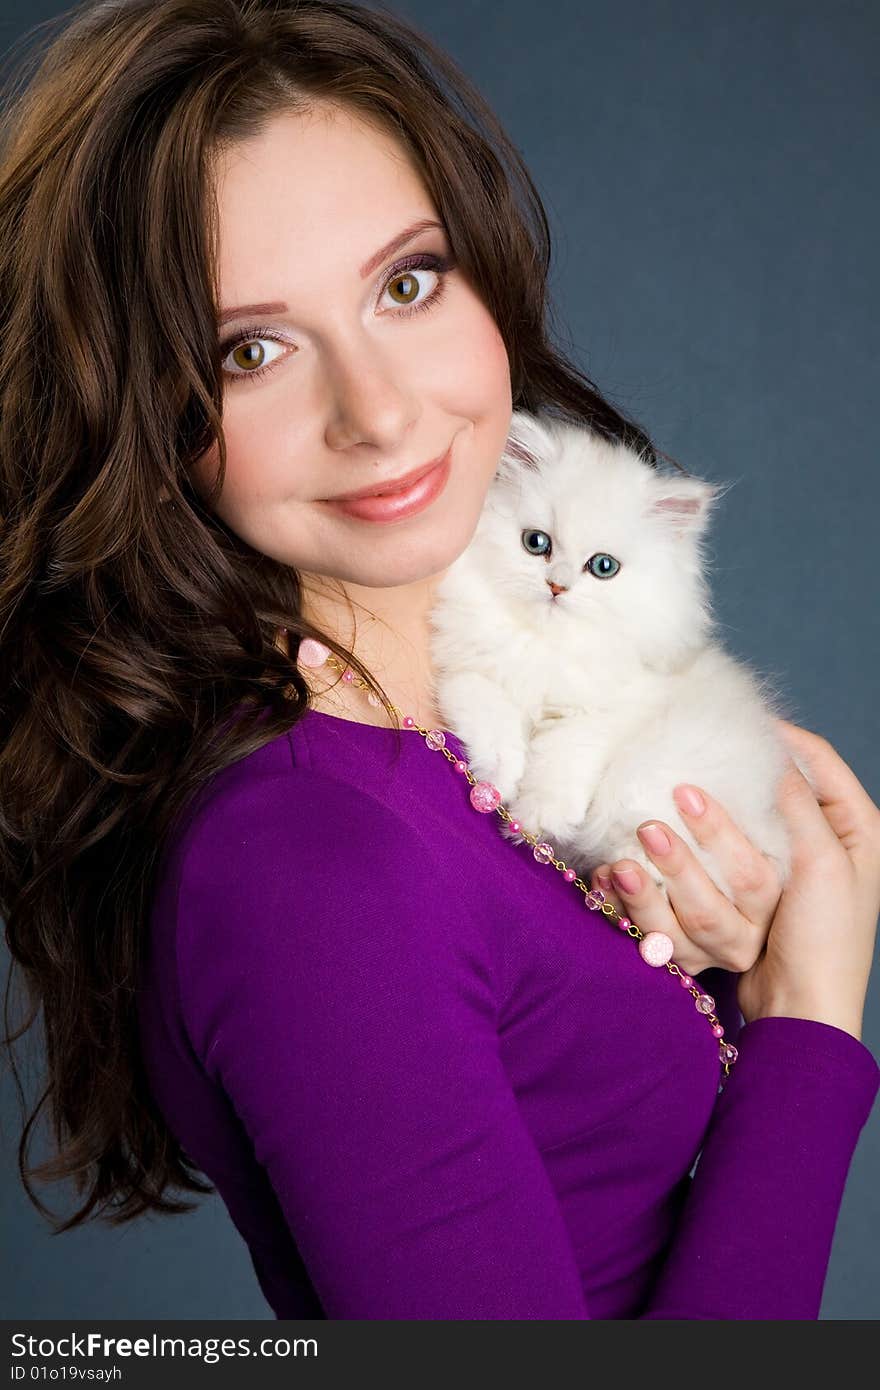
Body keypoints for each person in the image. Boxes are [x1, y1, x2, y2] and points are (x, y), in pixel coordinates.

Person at [1, 0, 877, 1321]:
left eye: (407, 282)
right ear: (146, 415)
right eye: (254, 348)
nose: (385, 408)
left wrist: (727, 982)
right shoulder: (309, 859)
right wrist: (810, 1023)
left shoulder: (441, 735)